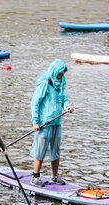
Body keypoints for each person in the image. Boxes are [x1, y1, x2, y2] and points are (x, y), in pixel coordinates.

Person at [30, 59, 75, 187]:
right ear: (55, 71)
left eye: (62, 74)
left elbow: (63, 99)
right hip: (44, 122)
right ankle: (35, 177)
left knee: (55, 150)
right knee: (40, 150)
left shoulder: (60, 83)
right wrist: (35, 121)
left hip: (57, 121)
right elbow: (35, 103)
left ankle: (54, 176)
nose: (61, 76)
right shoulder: (45, 83)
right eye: (60, 73)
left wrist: (67, 106)